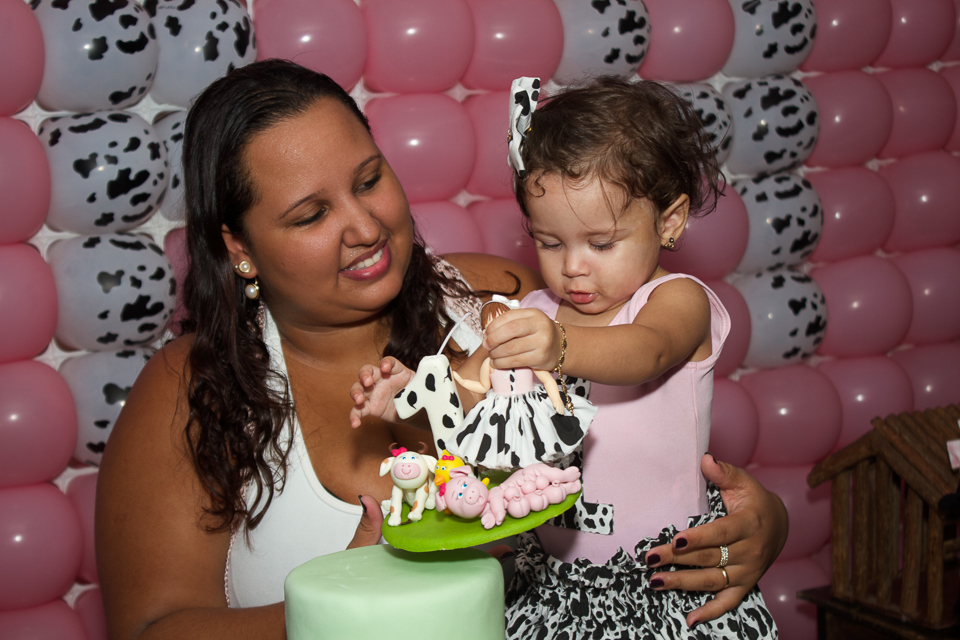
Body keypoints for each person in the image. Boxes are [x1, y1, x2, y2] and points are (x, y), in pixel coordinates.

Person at [95, 60, 787, 640]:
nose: (364, 226)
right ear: (238, 247)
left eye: (369, 180)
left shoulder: (506, 300)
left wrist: (763, 526)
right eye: (311, 214)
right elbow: (152, 628)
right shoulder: (189, 385)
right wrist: (335, 605)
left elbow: (652, 404)